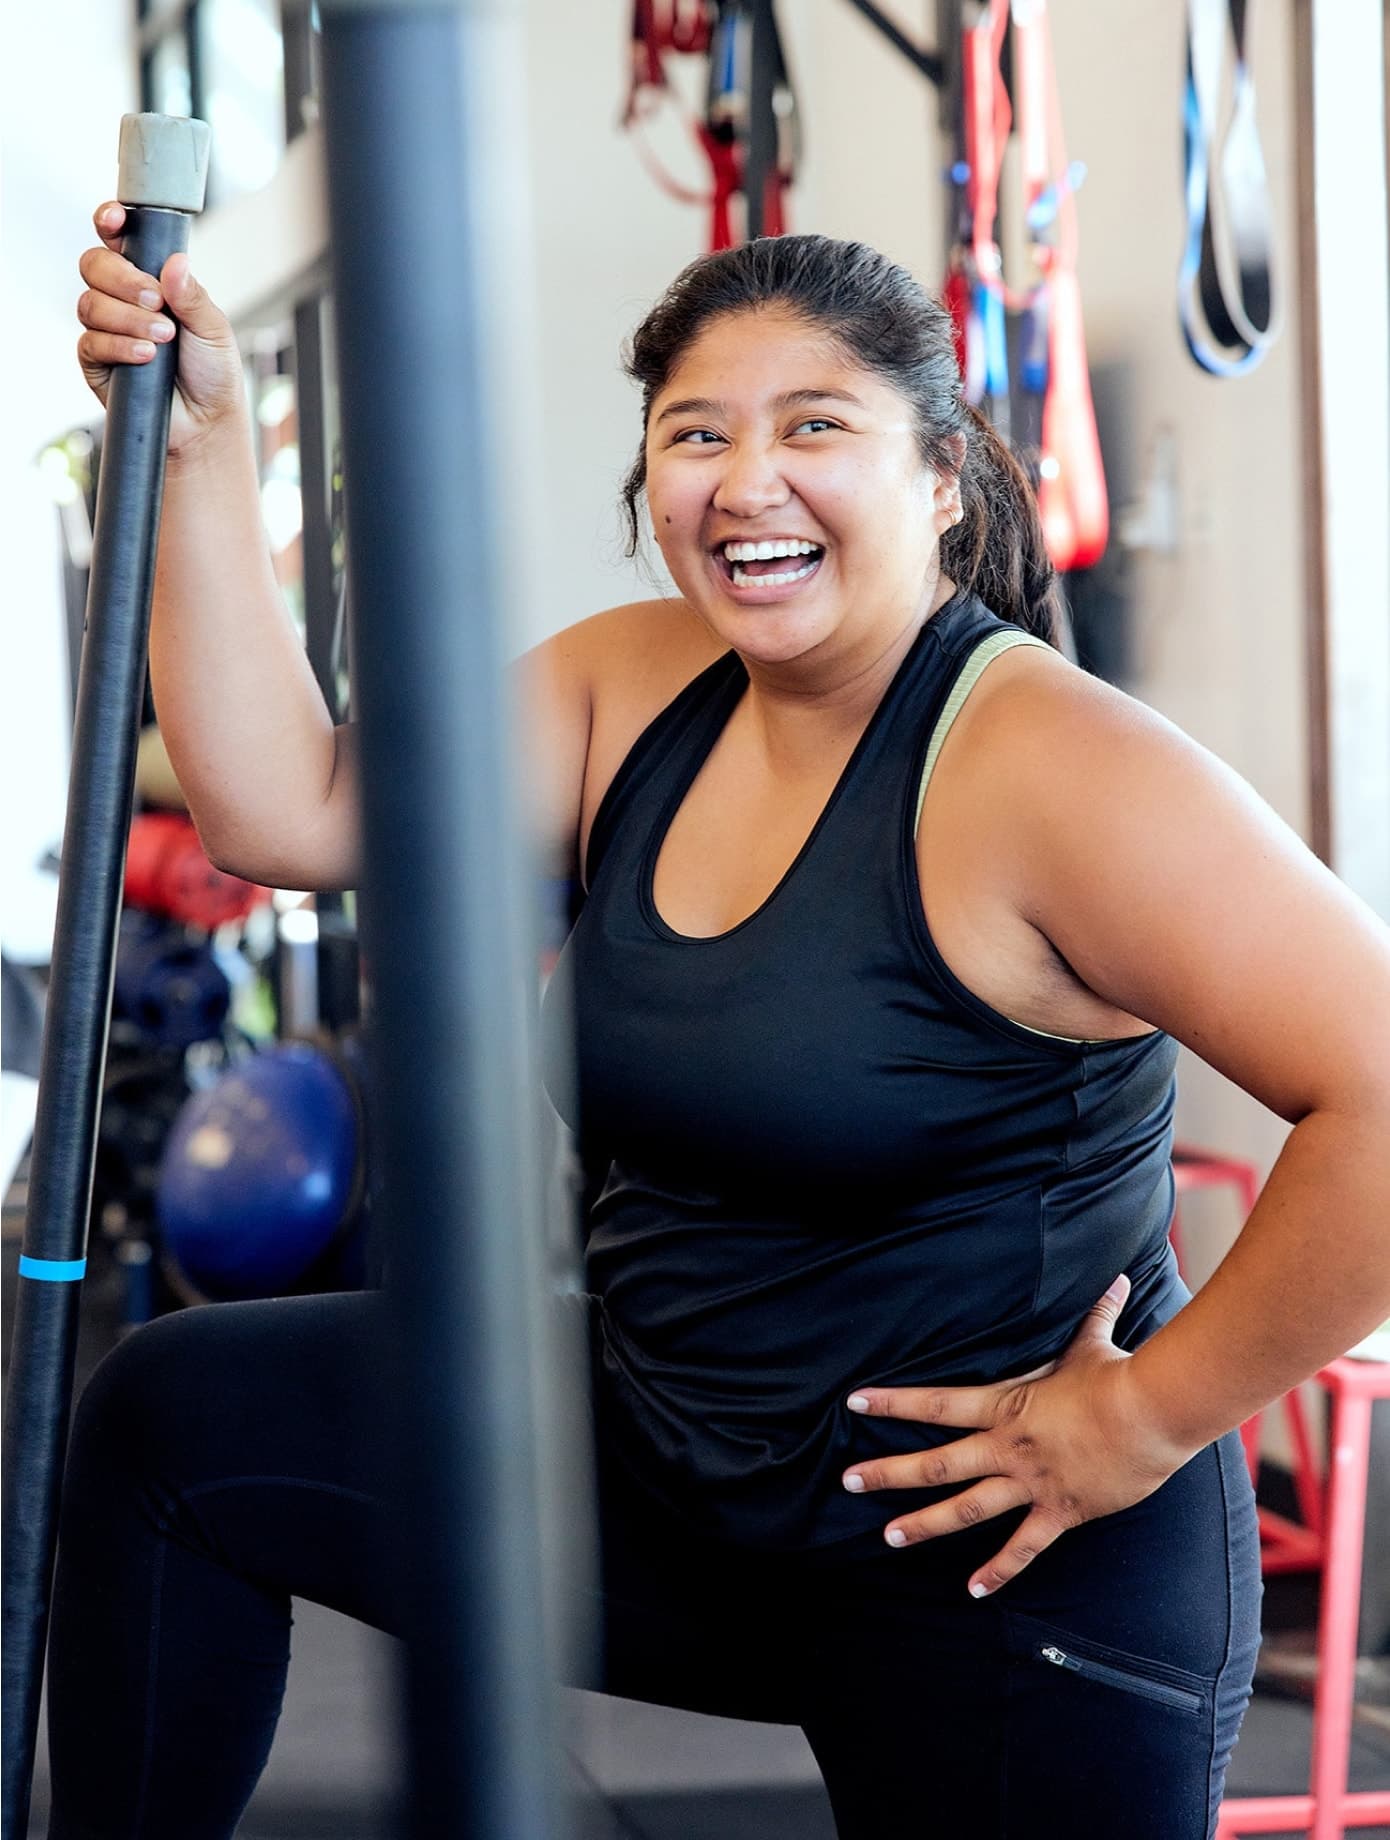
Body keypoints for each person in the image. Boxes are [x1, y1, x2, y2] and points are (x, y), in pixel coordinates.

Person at [55, 211, 1390, 1840]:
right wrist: (193, 446)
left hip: (987, 1560)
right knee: (170, 1422)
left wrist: (1148, 1416)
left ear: (942, 476)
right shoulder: (637, 687)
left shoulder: (1055, 769)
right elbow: (290, 810)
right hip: (664, 1475)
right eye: (696, 433)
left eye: (813, 425)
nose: (744, 481)